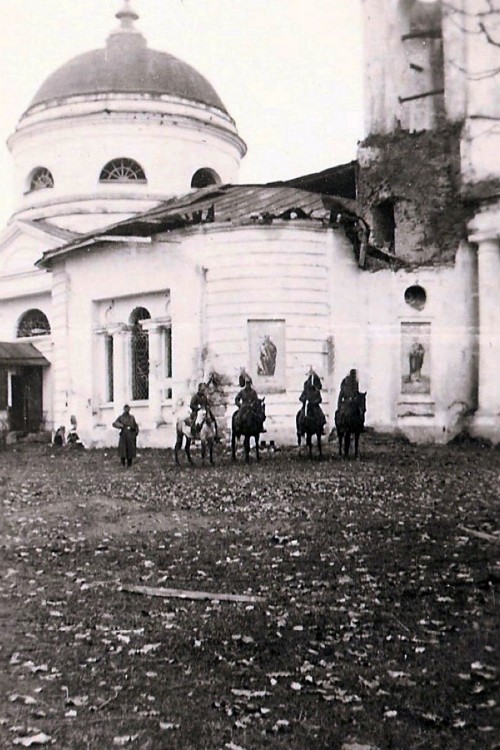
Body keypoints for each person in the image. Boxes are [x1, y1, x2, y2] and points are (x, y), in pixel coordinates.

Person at [299, 368, 326, 432]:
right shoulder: (306, 390)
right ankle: (301, 428)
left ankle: (320, 428)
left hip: (315, 406)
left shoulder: (316, 391)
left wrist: (315, 402)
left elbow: (320, 399)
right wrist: (304, 400)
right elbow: (301, 397)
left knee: (321, 415)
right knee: (301, 416)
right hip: (306, 406)